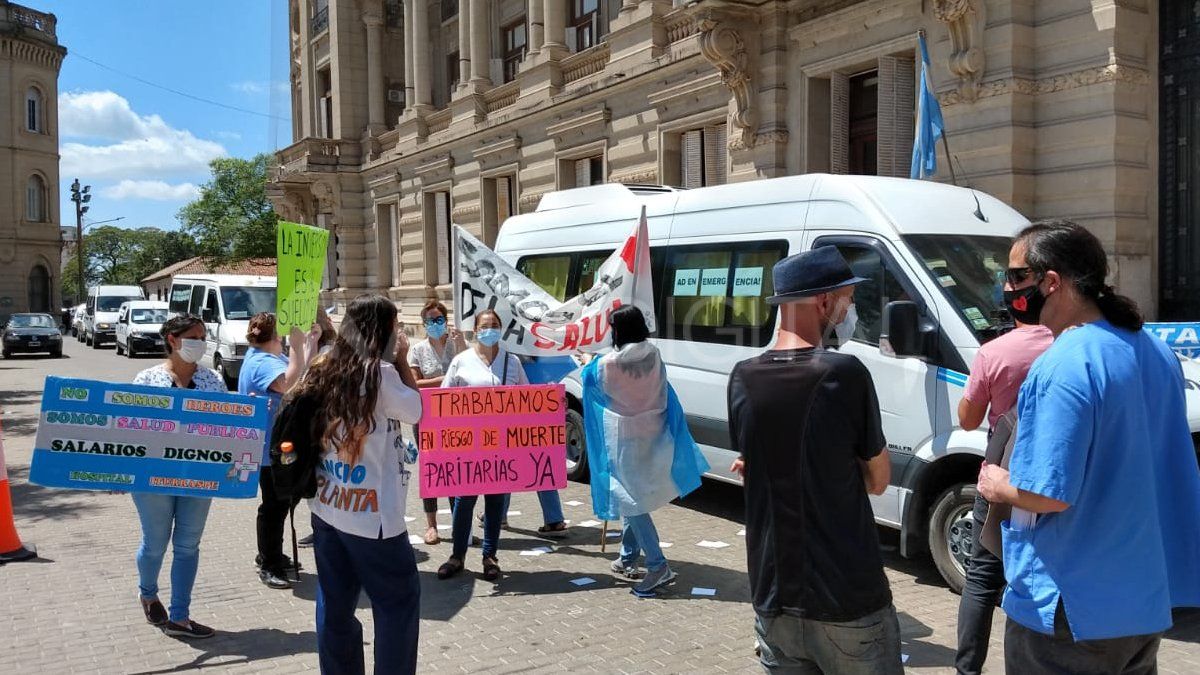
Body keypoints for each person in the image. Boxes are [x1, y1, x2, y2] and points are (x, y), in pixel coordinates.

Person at [976, 221, 1200, 674]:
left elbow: (1047, 494)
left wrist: (999, 485)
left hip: (1069, 608)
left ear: (1051, 281)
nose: (1007, 287)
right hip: (1142, 599)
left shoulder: (1063, 364)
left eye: (1016, 276)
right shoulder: (1156, 352)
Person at [728, 246, 902, 674]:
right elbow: (878, 479)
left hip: (773, 596)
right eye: (848, 297)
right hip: (845, 595)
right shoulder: (844, 373)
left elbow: (753, 467)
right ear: (825, 301)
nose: (851, 307)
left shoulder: (743, 376)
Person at [299, 294, 423, 674]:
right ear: (380, 330)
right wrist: (401, 360)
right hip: (372, 517)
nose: (398, 333)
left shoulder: (322, 364)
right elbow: (417, 409)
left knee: (335, 603)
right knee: (397, 603)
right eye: (395, 326)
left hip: (327, 503)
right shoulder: (379, 373)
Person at [581, 305, 708, 595]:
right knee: (632, 494)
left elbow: (592, 377)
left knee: (629, 499)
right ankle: (627, 556)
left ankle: (657, 565)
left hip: (623, 441)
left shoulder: (607, 365)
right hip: (654, 435)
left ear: (619, 331)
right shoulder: (654, 355)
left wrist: (588, 358)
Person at [954, 306, 1052, 675]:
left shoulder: (995, 351)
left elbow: (968, 419)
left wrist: (983, 376)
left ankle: (968, 669)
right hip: (1059, 466)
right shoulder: (1069, 343)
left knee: (982, 575)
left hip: (1004, 470)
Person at [130, 313, 227, 639]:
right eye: (194, 337)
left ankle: (180, 617)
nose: (200, 343)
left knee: (187, 545)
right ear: (172, 340)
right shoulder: (146, 380)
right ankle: (148, 593)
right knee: (155, 544)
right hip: (152, 478)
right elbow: (128, 431)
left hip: (199, 476)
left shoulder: (213, 380)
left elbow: (229, 429)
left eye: (203, 336)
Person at [436, 309, 527, 582]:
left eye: (495, 325)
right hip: (468, 445)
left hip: (500, 445)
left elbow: (528, 399)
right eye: (485, 326)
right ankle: (457, 555)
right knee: (464, 501)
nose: (490, 330)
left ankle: (490, 555)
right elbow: (443, 399)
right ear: (475, 330)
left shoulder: (512, 363)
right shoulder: (461, 361)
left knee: (495, 502)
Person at [238, 313, 319, 589]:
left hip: (278, 444)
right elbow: (289, 385)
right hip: (268, 448)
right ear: (276, 336)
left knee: (282, 502)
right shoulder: (261, 362)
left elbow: (303, 373)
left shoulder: (270, 358)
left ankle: (273, 554)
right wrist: (297, 347)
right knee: (273, 506)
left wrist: (311, 345)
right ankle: (268, 562)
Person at [407, 300, 467, 545]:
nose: (435, 324)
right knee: (431, 469)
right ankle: (431, 525)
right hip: (427, 418)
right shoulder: (418, 350)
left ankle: (458, 522)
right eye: (430, 320)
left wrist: (462, 343)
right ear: (424, 324)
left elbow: (470, 373)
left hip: (455, 418)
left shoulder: (457, 346)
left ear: (446, 320)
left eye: (439, 319)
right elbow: (414, 383)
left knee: (455, 469)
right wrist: (447, 378)